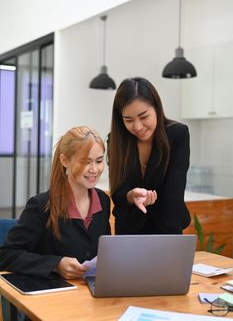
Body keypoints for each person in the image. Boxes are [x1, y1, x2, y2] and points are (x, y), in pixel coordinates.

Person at [0, 126, 111, 279]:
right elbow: (6, 255)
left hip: (92, 293)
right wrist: (55, 264)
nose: (94, 169)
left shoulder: (103, 201)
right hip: (54, 296)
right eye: (86, 162)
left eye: (99, 161)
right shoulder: (40, 205)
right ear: (65, 161)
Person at [108, 77, 191, 235]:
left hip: (167, 228)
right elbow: (118, 193)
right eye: (129, 120)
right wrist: (131, 196)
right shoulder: (115, 140)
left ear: (157, 108)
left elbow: (174, 192)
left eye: (144, 116)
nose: (138, 126)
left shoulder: (178, 134)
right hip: (129, 231)